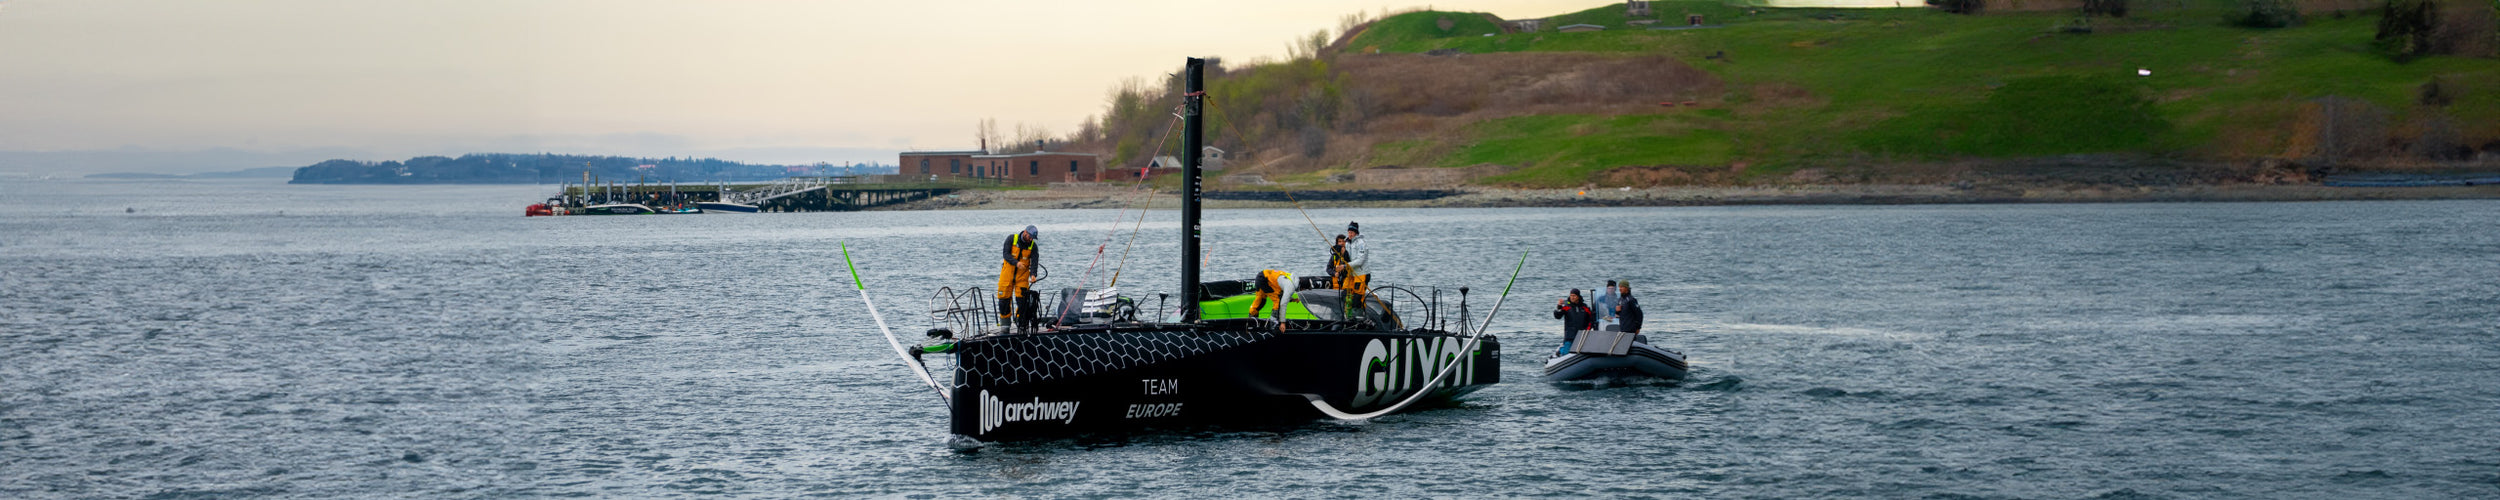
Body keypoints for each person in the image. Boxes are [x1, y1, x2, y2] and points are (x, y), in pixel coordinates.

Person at [996, 226, 1040, 331]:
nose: (1030, 239)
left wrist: (1033, 274)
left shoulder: (1033, 246)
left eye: (1033, 238)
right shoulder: (1011, 239)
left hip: (1022, 277)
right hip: (1007, 275)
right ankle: (1005, 325)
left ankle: (1021, 324)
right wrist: (1016, 263)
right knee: (1004, 300)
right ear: (1025, 232)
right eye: (1030, 237)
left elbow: (1034, 262)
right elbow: (1005, 254)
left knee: (1023, 301)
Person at [1552, 289, 1594, 354]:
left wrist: (1587, 329)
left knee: (1581, 352)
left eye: (1574, 296)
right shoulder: (1566, 307)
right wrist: (1559, 307)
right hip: (1569, 335)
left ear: (1578, 296)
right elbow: (1558, 316)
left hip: (1582, 335)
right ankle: (1561, 350)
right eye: (1571, 295)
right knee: (1566, 353)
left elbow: (1591, 320)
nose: (1572, 297)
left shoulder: (1585, 307)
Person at [1341, 222, 1371, 310]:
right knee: (1345, 294)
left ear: (1356, 233)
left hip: (1361, 274)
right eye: (1349, 232)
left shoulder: (1361, 243)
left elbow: (1360, 261)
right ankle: (1347, 314)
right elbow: (1346, 258)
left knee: (1357, 298)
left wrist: (1345, 266)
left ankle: (1360, 314)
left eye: (1352, 232)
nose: (1350, 234)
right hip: (1351, 274)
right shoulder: (1347, 243)